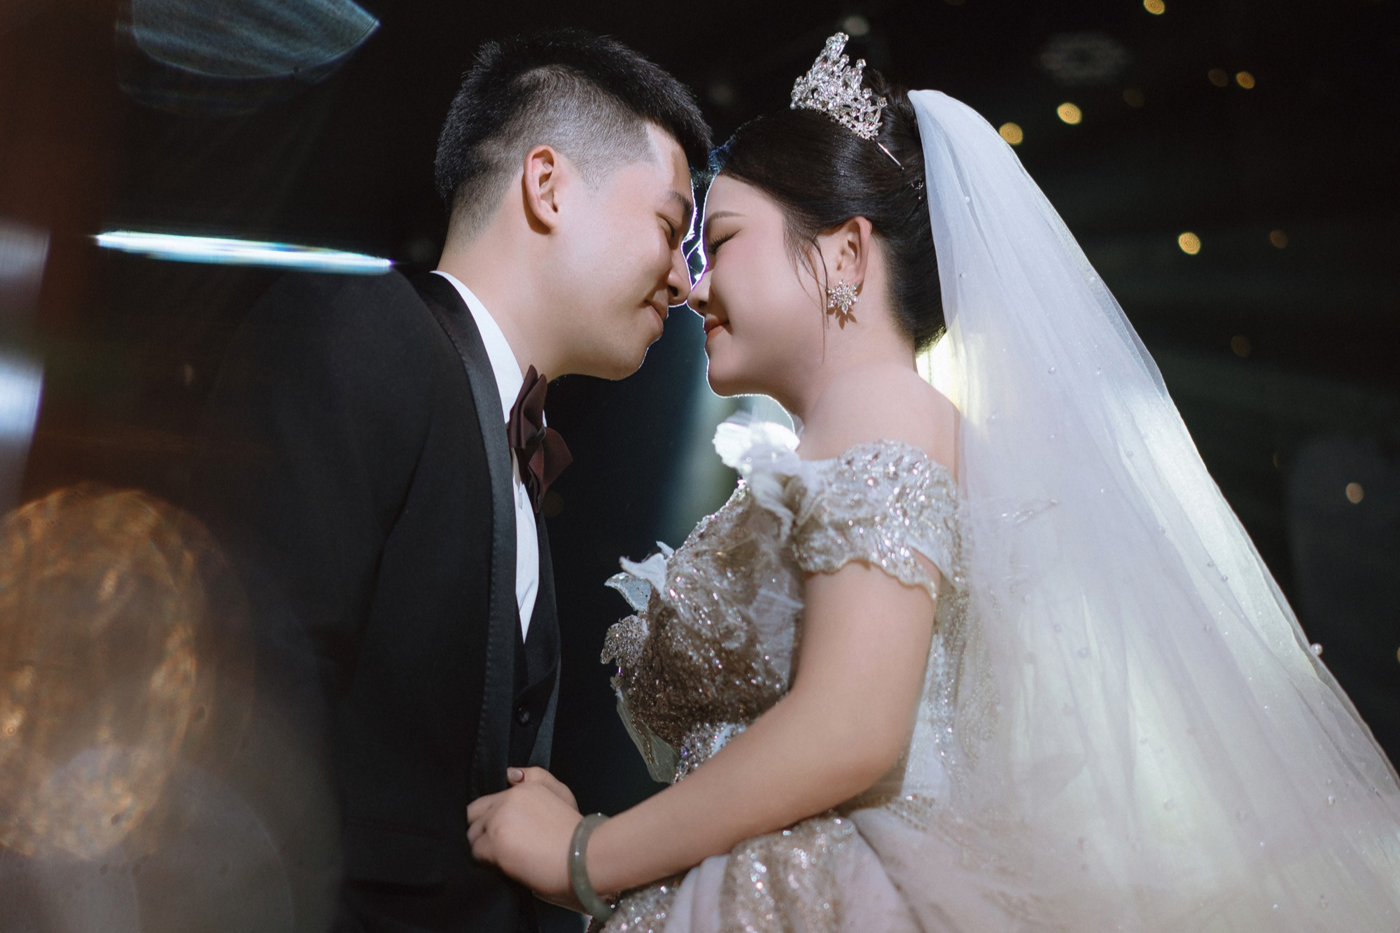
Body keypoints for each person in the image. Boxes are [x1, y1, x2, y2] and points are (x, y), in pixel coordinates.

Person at [464, 33, 1400, 931]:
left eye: (726, 239)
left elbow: (851, 728)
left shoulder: (883, 404)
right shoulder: (856, 428)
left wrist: (587, 853)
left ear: (844, 253)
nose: (694, 287)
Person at [191, 29, 710, 933]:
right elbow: (245, 702)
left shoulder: (516, 437)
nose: (683, 279)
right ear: (547, 186)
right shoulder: (361, 331)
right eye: (670, 228)